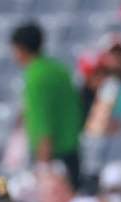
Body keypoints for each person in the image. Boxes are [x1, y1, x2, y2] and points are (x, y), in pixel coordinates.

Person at [10, 22, 82, 186]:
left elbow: (42, 125)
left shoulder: (35, 77)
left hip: (53, 158)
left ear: (20, 49)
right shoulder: (60, 70)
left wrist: (43, 168)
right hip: (73, 152)